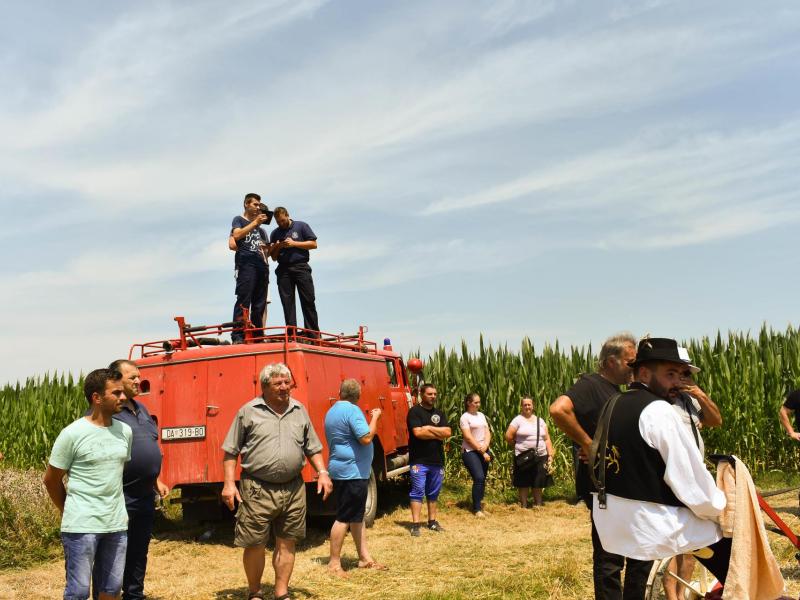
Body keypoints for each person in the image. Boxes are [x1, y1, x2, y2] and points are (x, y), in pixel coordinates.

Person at [591, 338, 729, 589]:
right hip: (652, 522)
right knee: (731, 541)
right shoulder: (660, 411)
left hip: (611, 520)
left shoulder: (613, 403)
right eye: (670, 374)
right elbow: (692, 486)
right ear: (643, 372)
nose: (678, 381)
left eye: (680, 374)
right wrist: (722, 511)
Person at [221, 362, 333, 600]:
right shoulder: (248, 411)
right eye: (278, 383)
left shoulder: (299, 410)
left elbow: (312, 447)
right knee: (254, 543)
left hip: (293, 487)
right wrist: (229, 484)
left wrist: (322, 472)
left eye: (287, 382)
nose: (285, 387)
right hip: (257, 488)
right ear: (265, 386)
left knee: (287, 542)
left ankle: (282, 593)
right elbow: (231, 451)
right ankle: (255, 592)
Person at [550, 332, 645, 600]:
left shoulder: (617, 391)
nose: (633, 368)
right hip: (602, 486)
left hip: (619, 485)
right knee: (610, 557)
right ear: (610, 361)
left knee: (628, 551)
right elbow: (558, 409)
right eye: (630, 362)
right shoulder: (591, 384)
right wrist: (589, 444)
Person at [43, 368, 133, 600]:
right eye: (116, 393)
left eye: (123, 392)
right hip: (81, 527)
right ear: (97, 397)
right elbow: (51, 479)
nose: (123, 398)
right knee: (78, 592)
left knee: (111, 590)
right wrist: (69, 510)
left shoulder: (125, 432)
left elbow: (115, 474)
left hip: (116, 525)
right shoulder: (72, 434)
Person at [89, 360, 169, 600]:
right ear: (116, 379)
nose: (138, 381)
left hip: (144, 495)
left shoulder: (141, 409)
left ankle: (134, 595)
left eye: (138, 376)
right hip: (119, 496)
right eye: (132, 377)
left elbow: (149, 443)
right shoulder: (106, 410)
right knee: (111, 554)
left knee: (137, 551)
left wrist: (157, 479)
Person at [662, 360, 722, 600]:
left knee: (693, 544)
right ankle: (671, 595)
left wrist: (700, 393)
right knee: (671, 544)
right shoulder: (660, 404)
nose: (681, 379)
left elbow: (716, 420)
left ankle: (682, 591)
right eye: (675, 374)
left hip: (694, 481)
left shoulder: (690, 401)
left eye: (685, 374)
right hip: (671, 480)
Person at [324, 379, 385, 576]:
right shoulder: (352, 411)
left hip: (343, 469)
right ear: (358, 395)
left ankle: (364, 558)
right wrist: (375, 418)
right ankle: (334, 563)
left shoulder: (332, 411)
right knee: (344, 517)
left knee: (357, 517)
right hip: (352, 472)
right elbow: (366, 437)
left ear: (339, 392)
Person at [407, 383, 451, 537]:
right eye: (430, 394)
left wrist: (429, 428)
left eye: (435, 394)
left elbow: (448, 432)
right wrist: (437, 432)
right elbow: (418, 433)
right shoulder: (414, 412)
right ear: (421, 394)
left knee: (433, 493)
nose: (433, 397)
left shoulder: (439, 413)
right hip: (419, 460)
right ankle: (415, 524)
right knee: (418, 491)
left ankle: (432, 522)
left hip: (436, 460)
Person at [268, 207, 319, 335]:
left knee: (308, 300)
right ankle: (292, 334)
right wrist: (278, 246)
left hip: (301, 267)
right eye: (278, 222)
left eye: (283, 220)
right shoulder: (275, 233)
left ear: (288, 215)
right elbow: (273, 257)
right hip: (283, 270)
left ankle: (312, 333)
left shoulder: (301, 226)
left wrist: (294, 243)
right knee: (287, 303)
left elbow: (313, 244)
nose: (281, 224)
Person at [231, 193, 270, 343]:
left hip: (261, 265)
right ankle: (238, 335)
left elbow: (267, 251)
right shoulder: (239, 220)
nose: (258, 207)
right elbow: (237, 235)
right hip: (246, 263)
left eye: (259, 205)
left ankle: (257, 336)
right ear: (247, 204)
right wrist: (254, 223)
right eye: (255, 204)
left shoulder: (262, 231)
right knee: (244, 299)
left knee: (259, 303)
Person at [505, 396, 554, 508]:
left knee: (538, 481)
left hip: (540, 455)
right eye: (525, 405)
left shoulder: (540, 420)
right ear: (521, 406)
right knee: (523, 481)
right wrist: (517, 445)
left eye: (529, 404)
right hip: (523, 456)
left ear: (533, 406)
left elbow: (547, 439)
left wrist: (550, 454)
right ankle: (524, 505)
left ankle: (538, 504)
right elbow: (508, 436)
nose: (527, 407)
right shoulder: (517, 420)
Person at [459, 392, 491, 517]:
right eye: (476, 402)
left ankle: (480, 505)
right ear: (468, 403)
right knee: (478, 478)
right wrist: (481, 450)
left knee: (482, 479)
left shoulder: (481, 415)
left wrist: (486, 446)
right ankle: (476, 509)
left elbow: (487, 432)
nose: (478, 404)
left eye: (479, 402)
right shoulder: (465, 417)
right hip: (470, 451)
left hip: (483, 449)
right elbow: (467, 437)